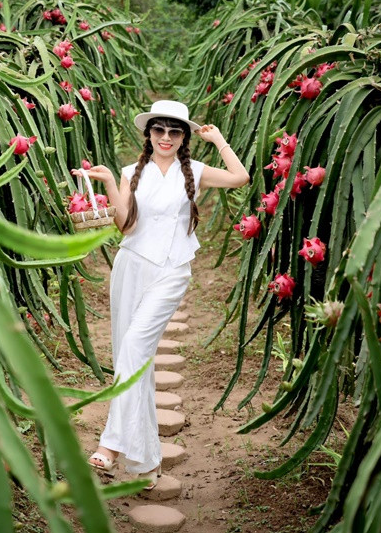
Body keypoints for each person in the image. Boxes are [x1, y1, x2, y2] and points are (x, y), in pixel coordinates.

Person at [72, 100, 250, 489]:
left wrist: (218, 140)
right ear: (148, 134)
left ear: (184, 137)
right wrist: (105, 184)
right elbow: (125, 224)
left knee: (135, 347)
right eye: (159, 130)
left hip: (171, 272)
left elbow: (241, 177)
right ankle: (146, 465)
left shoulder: (196, 172)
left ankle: (112, 443)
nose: (166, 138)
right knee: (132, 360)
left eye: (175, 131)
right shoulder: (130, 173)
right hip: (131, 266)